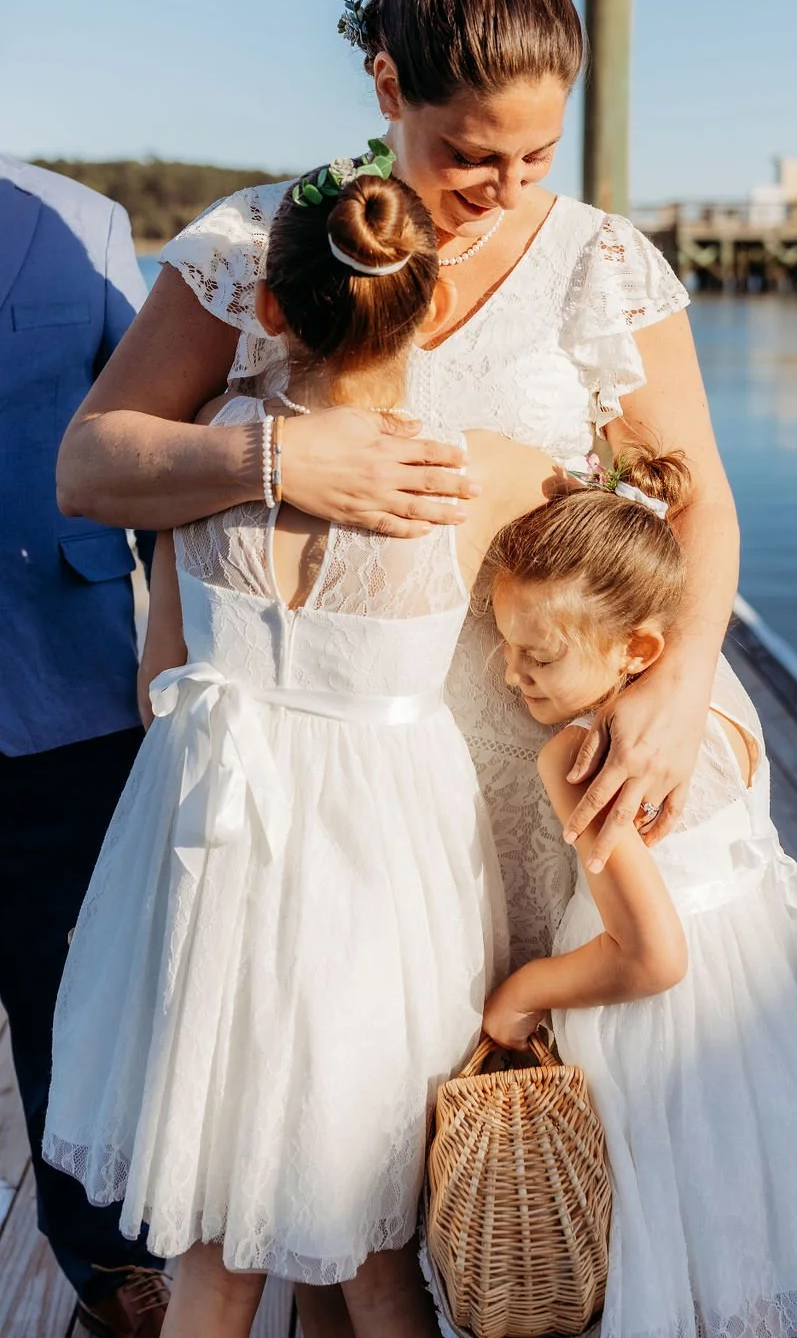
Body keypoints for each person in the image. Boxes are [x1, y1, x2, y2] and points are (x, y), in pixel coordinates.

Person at [55, 0, 741, 970]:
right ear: (388, 88)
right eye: (470, 154)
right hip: (332, 805)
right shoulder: (261, 246)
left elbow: (697, 502)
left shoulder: (599, 262)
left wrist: (679, 685)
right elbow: (89, 464)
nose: (506, 192)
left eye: (538, 154)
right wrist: (276, 461)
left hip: (550, 767)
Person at [44, 160, 566, 1338]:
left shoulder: (204, 443)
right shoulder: (475, 473)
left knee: (213, 1251)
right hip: (381, 868)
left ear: (268, 307)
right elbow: (623, 510)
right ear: (433, 305)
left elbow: (157, 682)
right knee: (378, 1247)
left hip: (209, 855)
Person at [475, 451, 797, 1338]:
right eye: (504, 646)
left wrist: (521, 994)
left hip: (660, 1038)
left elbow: (649, 956)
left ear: (638, 648)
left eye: (538, 656)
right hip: (754, 1015)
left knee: (657, 1245)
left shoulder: (578, 755)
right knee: (733, 1230)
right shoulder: (718, 696)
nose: (509, 674)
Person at [0, 154, 170, 1337]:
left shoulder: (82, 222)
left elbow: (155, 437)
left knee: (75, 1002)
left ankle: (107, 1264)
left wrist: (179, 655)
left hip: (71, 692)